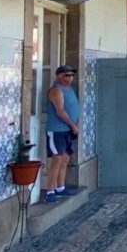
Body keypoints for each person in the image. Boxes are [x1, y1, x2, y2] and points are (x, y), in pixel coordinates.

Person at [44, 65, 81, 204]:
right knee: (57, 159)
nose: (70, 78)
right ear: (59, 76)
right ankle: (50, 191)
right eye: (67, 75)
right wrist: (72, 125)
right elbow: (60, 111)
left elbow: (74, 108)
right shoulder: (56, 90)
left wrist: (76, 124)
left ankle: (60, 187)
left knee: (65, 159)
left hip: (68, 130)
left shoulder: (70, 90)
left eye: (72, 75)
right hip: (57, 130)